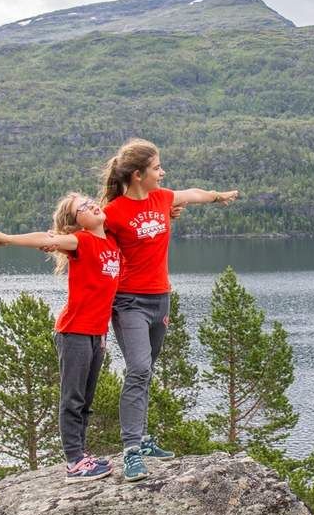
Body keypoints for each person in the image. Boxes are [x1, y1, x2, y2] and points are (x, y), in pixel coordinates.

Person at [100, 138, 237, 482]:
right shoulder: (113, 213)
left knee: (146, 370)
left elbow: (192, 193)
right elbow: (83, 234)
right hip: (128, 300)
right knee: (139, 368)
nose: (163, 172)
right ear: (137, 175)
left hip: (160, 298)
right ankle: (131, 449)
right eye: (157, 167)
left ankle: (144, 439)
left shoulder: (162, 200)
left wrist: (218, 196)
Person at [0, 193, 120, 483]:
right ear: (74, 222)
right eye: (82, 207)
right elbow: (48, 237)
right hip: (74, 331)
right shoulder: (80, 240)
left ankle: (82, 455)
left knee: (86, 399)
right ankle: (74, 461)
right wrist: (8, 238)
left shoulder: (111, 241)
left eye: (90, 200)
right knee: (73, 397)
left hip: (97, 333)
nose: (91, 205)